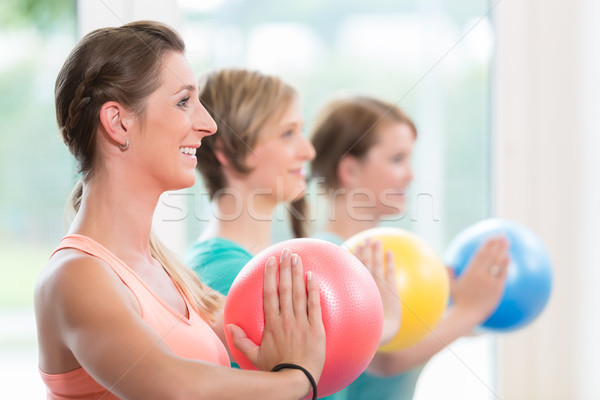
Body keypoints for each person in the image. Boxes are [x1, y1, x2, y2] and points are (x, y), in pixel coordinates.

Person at [34, 21, 326, 400]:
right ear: (119, 122)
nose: (207, 124)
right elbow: (176, 388)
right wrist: (295, 378)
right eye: (184, 101)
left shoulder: (169, 272)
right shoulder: (75, 277)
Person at [186, 69, 401, 400]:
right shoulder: (221, 273)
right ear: (227, 150)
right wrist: (381, 324)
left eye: (301, 131)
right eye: (288, 134)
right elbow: (309, 373)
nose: (308, 151)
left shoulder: (265, 265)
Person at [309, 95, 510, 399]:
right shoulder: (330, 260)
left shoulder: (392, 257)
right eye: (397, 159)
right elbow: (385, 358)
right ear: (350, 170)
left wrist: (460, 301)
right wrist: (469, 309)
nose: (410, 173)